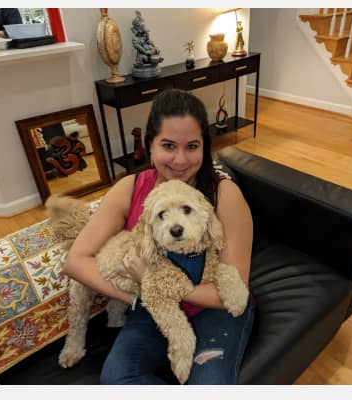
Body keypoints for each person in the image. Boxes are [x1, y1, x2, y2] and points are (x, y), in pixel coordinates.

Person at [64, 89, 255, 384]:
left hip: (214, 307)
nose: (180, 160)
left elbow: (232, 291)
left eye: (192, 146)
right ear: (150, 146)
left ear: (205, 147)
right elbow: (76, 261)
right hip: (153, 306)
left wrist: (154, 282)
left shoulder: (225, 195)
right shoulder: (129, 188)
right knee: (116, 379)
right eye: (168, 145)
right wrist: (140, 296)